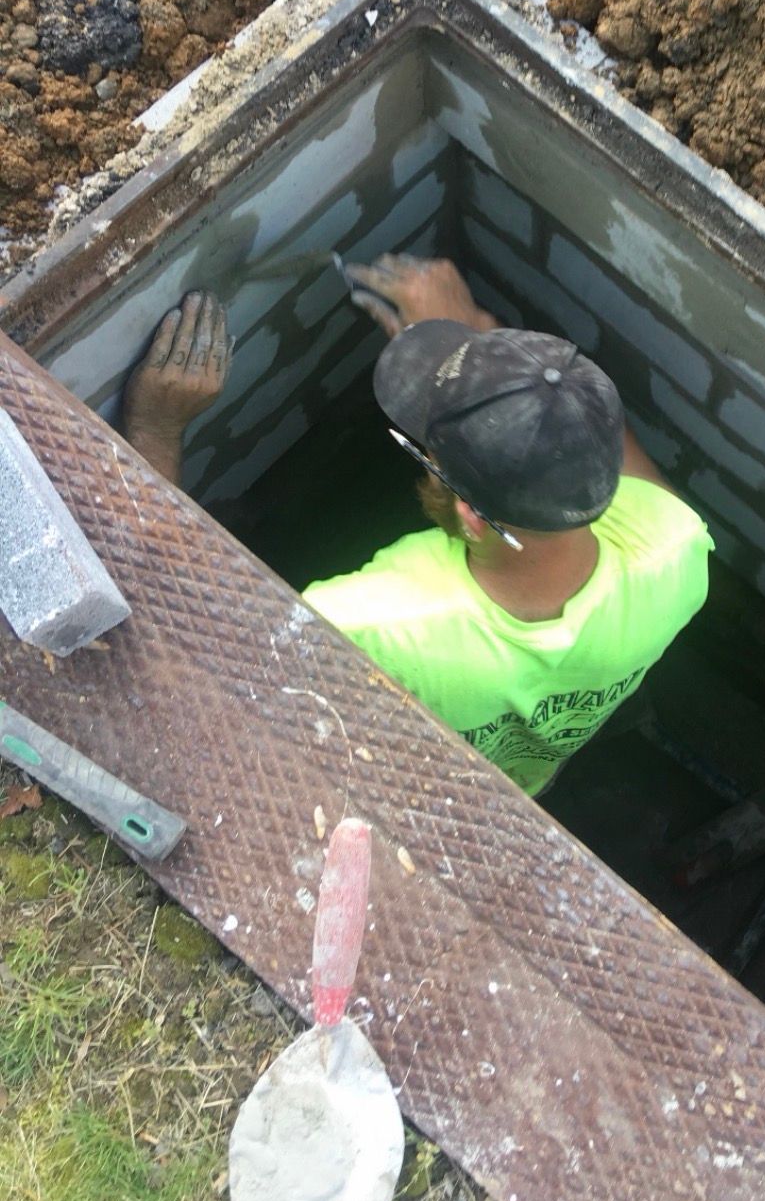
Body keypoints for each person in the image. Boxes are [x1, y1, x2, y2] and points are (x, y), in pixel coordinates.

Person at [121, 257, 713, 796]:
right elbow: (594, 437)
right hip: (518, 787)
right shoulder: (677, 551)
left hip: (403, 792)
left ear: (470, 513)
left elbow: (181, 661)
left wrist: (154, 431)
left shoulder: (375, 628)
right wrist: (490, 347)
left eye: (427, 444)